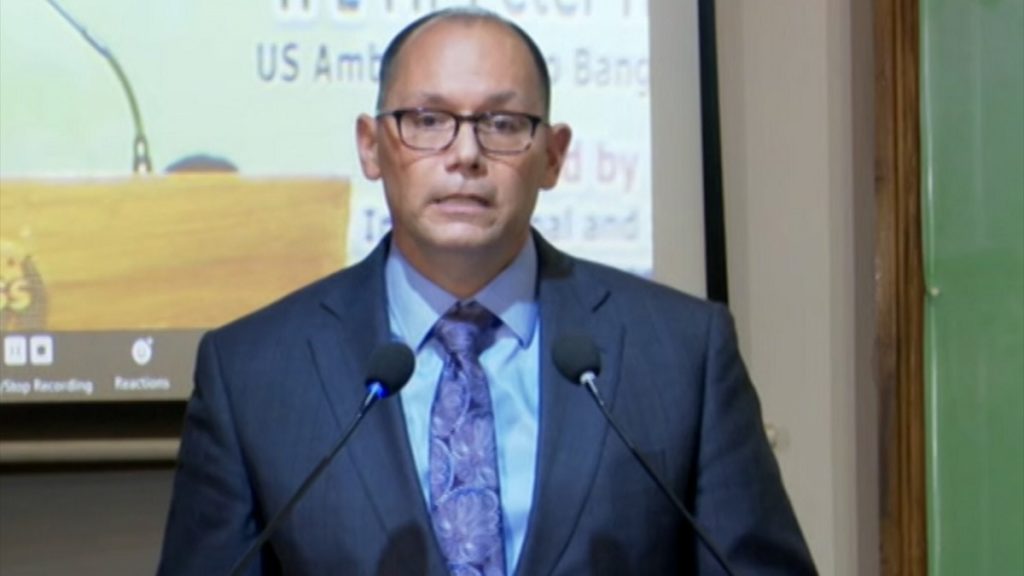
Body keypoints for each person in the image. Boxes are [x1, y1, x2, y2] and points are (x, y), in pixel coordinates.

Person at [158, 7, 816, 575]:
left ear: (552, 156)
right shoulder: (252, 374)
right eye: (427, 120)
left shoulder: (682, 353)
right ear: (370, 146)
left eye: (502, 124)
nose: (465, 154)